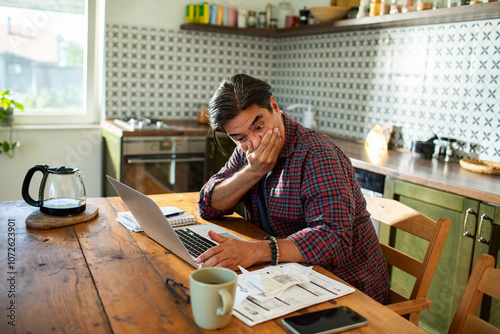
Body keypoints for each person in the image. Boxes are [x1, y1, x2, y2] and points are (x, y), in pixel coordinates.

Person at [197, 74, 390, 304]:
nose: (255, 143)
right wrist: (253, 171)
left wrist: (256, 251)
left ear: (275, 107)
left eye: (259, 126)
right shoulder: (247, 151)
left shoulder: (317, 154)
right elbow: (207, 204)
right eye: (240, 138)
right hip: (291, 277)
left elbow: (333, 237)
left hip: (350, 290)